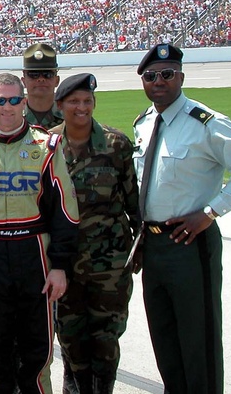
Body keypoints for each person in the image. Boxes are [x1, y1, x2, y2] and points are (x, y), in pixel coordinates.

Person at [133, 43, 231, 394]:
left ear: (181, 77)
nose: (158, 81)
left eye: (167, 74)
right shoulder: (145, 123)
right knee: (165, 339)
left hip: (190, 243)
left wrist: (211, 212)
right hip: (153, 245)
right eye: (150, 76)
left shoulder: (204, 122)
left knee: (199, 340)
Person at [0, 72, 80, 394]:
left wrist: (60, 266)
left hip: (35, 252)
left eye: (13, 100)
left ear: (23, 102)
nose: (6, 108)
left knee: (38, 351)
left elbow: (65, 211)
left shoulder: (47, 146)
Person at [50, 73, 139, 394]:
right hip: (65, 267)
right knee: (71, 340)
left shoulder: (116, 146)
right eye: (74, 101)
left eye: (87, 101)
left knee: (106, 341)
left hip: (109, 268)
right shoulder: (44, 148)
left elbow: (135, 206)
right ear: (59, 106)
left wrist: (139, 250)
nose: (82, 107)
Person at [22, 42, 63, 130]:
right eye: (34, 74)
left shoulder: (71, 116)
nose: (41, 79)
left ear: (57, 80)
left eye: (47, 74)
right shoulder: (13, 117)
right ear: (23, 81)